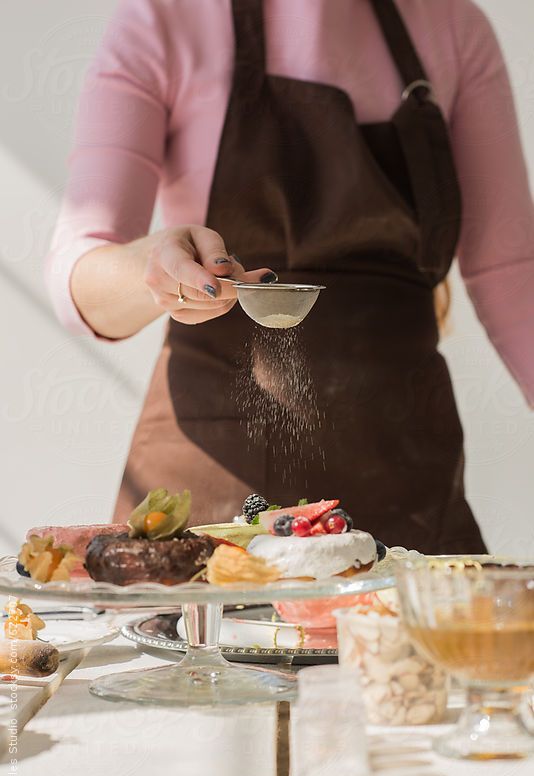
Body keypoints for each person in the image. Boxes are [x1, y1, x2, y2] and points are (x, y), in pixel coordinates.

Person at [46, 0, 534, 554]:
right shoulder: (165, 18)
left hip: (409, 495)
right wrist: (152, 266)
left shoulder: (452, 25)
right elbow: (79, 273)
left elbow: (511, 269)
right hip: (212, 512)